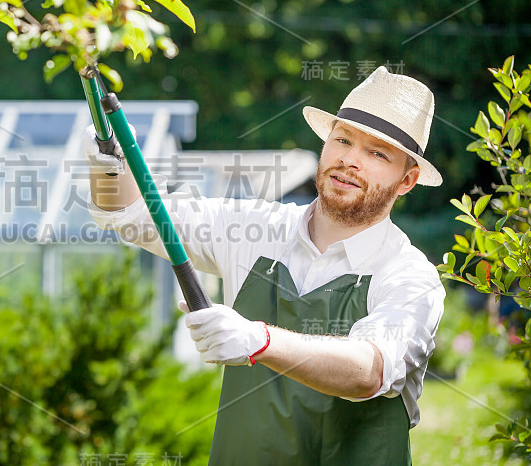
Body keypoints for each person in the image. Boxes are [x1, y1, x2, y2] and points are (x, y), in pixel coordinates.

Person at [82, 66, 445, 465]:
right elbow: (133, 216)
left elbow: (369, 370)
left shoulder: (410, 276)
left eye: (377, 153)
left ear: (407, 180)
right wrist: (109, 164)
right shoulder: (255, 230)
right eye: (342, 139)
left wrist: (260, 340)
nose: (350, 160)